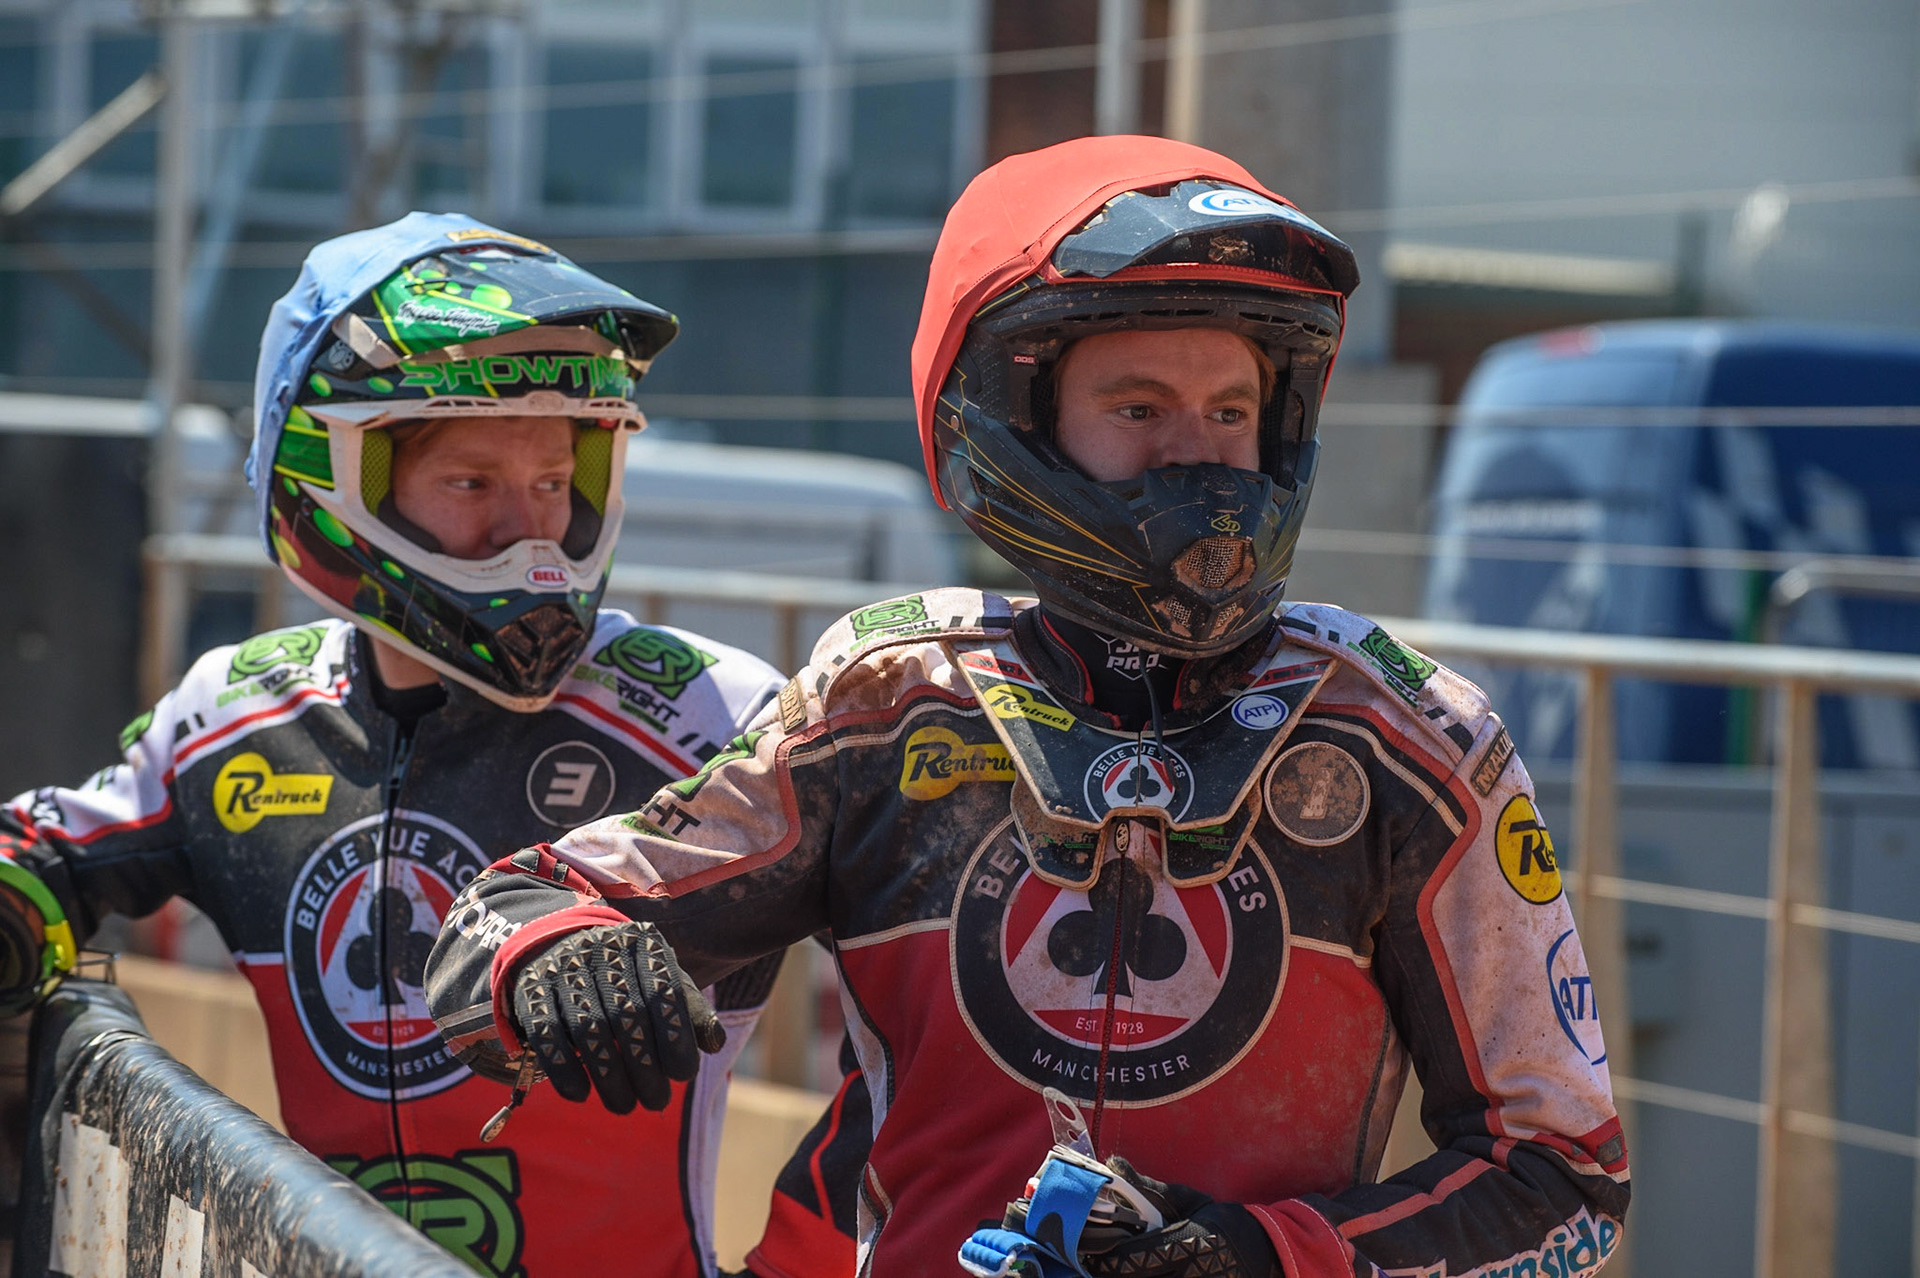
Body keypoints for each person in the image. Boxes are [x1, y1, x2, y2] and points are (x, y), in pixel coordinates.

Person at [425, 138, 1630, 1278]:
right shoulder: (887, 699)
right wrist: (552, 957)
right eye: (1140, 408)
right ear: (1007, 421)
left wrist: (1259, 1257)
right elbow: (512, 910)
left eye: (1230, 411)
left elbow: (1567, 1175)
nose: (1198, 459)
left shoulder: (1408, 737)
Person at [0, 213, 864, 1278]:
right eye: (472, 485)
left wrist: (807, 1265)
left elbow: (935, 1020)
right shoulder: (232, 716)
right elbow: (49, 857)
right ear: (337, 479)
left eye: (555, 482)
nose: (530, 532)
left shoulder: (718, 718)